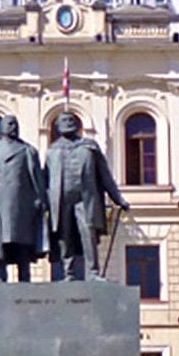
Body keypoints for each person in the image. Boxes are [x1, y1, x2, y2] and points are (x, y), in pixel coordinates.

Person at [43, 112, 128, 281]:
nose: (68, 122)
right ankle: (69, 273)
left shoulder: (90, 147)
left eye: (71, 120)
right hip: (60, 201)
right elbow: (44, 179)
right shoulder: (52, 150)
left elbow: (105, 175)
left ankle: (93, 272)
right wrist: (41, 203)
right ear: (57, 127)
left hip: (85, 199)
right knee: (64, 236)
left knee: (88, 233)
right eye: (64, 120)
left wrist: (118, 198)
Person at [0, 115, 46, 283]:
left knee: (23, 242)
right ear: (2, 127)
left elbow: (37, 179)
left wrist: (40, 199)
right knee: (0, 241)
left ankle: (24, 276)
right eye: (9, 124)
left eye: (15, 124)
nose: (13, 127)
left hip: (24, 205)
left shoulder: (28, 150)